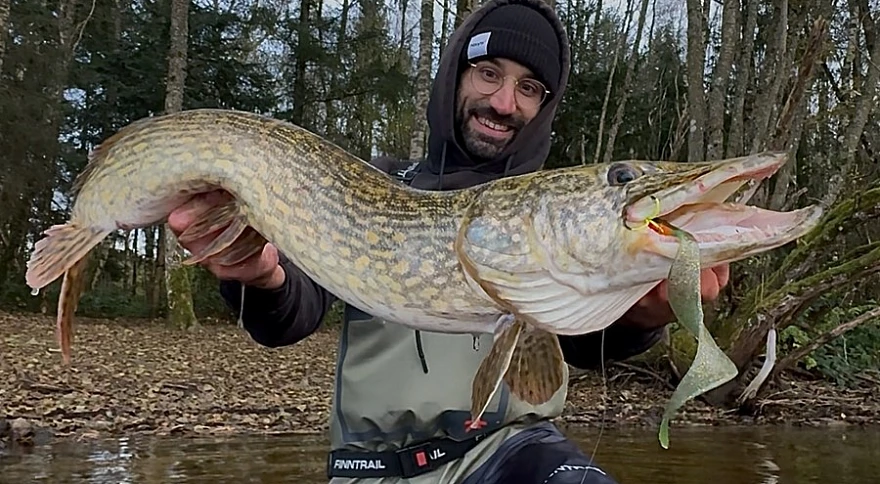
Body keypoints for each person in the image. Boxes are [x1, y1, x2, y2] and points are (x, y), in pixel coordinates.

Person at [168, 0, 730, 482]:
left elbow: (583, 341)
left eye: (529, 87)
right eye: (489, 73)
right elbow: (289, 318)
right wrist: (261, 278)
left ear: (543, 107)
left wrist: (644, 314)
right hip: (372, 467)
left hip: (510, 452)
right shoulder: (375, 186)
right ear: (455, 77)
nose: (505, 103)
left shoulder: (551, 212)